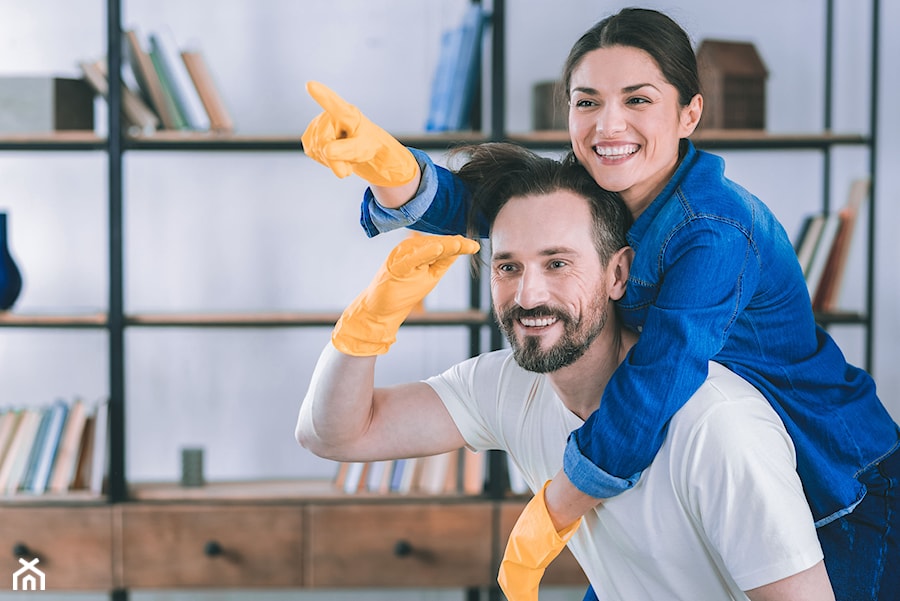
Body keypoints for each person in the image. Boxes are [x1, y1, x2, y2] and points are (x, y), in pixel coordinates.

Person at [300, 8, 899, 600]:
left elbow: (659, 377)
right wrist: (396, 173)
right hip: (690, 462)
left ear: (690, 113)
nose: (607, 126)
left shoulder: (713, 230)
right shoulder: (606, 190)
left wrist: (552, 511)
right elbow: (515, 213)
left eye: (637, 100)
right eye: (586, 102)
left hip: (840, 477)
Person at [296, 143, 834, 600]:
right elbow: (333, 434)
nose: (528, 296)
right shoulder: (509, 384)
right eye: (509, 267)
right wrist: (368, 322)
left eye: (557, 264)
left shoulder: (716, 427)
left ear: (617, 273)